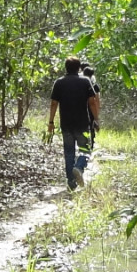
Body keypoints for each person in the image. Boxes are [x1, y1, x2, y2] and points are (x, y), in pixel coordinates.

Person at [45, 57, 102, 189]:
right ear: (78, 68)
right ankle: (79, 166)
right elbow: (92, 102)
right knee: (85, 149)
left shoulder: (59, 82)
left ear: (66, 68)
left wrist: (51, 122)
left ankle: (71, 181)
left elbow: (54, 103)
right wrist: (96, 119)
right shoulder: (85, 81)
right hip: (82, 123)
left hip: (66, 124)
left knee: (69, 152)